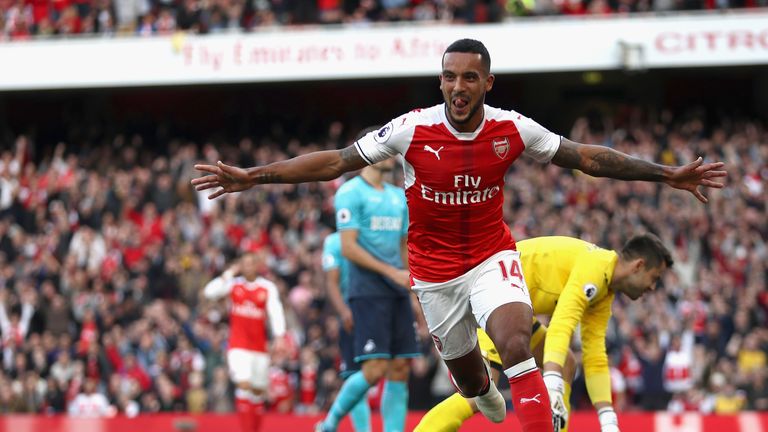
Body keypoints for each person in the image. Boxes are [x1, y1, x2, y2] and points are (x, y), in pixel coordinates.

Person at [192, 38, 725, 432]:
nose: (458, 86)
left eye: (470, 77)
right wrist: (253, 177)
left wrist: (665, 174)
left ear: (487, 84)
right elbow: (335, 161)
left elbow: (586, 158)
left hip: (493, 256)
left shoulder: (513, 128)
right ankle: (485, 393)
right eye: (450, 76)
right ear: (440, 80)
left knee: (518, 341)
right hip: (434, 274)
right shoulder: (412, 129)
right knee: (474, 387)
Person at [414, 233, 673, 432]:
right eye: (654, 277)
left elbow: (594, 356)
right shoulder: (596, 266)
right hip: (492, 300)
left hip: (512, 309)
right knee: (479, 393)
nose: (653, 288)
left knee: (568, 365)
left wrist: (608, 420)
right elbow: (562, 322)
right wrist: (552, 383)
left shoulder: (605, 288)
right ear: (638, 266)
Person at [316, 152, 421, 432]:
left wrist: (412, 287)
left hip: (397, 290)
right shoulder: (349, 193)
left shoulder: (399, 197)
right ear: (369, 155)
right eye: (385, 151)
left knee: (400, 369)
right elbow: (349, 247)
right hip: (367, 291)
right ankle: (330, 423)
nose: (391, 156)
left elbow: (403, 246)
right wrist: (391, 273)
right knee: (373, 370)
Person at [203, 251, 286, 432]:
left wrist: (279, 336)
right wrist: (229, 273)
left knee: (257, 392)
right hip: (238, 346)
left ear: (257, 265)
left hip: (259, 347)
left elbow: (276, 311)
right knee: (244, 384)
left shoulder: (267, 287)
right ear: (240, 265)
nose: (248, 266)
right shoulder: (233, 285)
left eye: (251, 263)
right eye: (244, 263)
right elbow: (209, 292)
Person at [322, 230, 371, 431]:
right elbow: (331, 281)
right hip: (353, 315)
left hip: (383, 309)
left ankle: (329, 423)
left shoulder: (374, 234)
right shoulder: (334, 242)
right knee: (355, 373)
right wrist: (343, 312)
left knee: (395, 371)